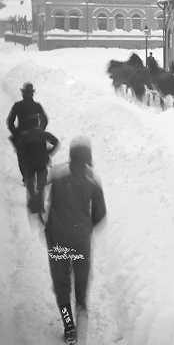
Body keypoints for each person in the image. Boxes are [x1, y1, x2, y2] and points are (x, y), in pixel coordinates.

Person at [38, 137, 106, 345]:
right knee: (81, 290)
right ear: (88, 158)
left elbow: (36, 195)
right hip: (80, 244)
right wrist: (85, 229)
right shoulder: (93, 180)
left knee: (62, 286)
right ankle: (82, 332)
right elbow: (100, 214)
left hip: (57, 241)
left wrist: (44, 219)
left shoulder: (56, 174)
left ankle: (69, 326)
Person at [6, 82, 49, 181]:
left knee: (21, 157)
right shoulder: (37, 106)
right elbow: (45, 120)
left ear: (23, 93)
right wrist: (40, 131)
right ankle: (41, 175)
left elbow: (10, 122)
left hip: (22, 136)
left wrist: (16, 134)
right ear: (32, 93)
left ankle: (26, 177)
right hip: (36, 135)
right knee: (41, 154)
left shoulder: (17, 105)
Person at [20, 119, 59, 212]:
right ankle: (40, 205)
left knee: (30, 184)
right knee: (41, 185)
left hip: (30, 164)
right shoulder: (43, 134)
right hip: (42, 163)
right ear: (38, 124)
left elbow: (21, 151)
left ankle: (33, 203)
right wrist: (48, 153)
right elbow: (56, 142)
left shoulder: (25, 136)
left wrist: (24, 160)